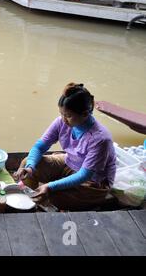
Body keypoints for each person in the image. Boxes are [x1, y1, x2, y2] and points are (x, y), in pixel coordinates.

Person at [13, 83, 116, 211]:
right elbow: (39, 147)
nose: (63, 119)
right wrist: (30, 167)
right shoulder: (61, 122)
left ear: (85, 114)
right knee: (26, 163)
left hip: (94, 182)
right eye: (61, 113)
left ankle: (38, 200)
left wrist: (50, 186)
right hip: (70, 161)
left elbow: (84, 175)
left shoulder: (100, 139)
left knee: (52, 196)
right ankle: (31, 201)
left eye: (68, 115)